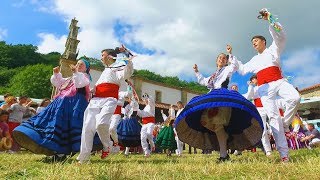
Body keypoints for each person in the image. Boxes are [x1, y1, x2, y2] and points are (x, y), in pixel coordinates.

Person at [175, 45, 263, 162]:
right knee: (213, 124)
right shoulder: (213, 75)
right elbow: (203, 81)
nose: (222, 59)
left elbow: (234, 65)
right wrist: (197, 72)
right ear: (216, 61)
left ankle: (223, 155)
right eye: (220, 58)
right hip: (213, 97)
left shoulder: (227, 69)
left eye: (224, 58)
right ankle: (224, 146)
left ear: (226, 61)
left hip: (222, 97)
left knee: (218, 125)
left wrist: (230, 54)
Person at [236, 9, 300, 162]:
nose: (254, 44)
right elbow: (243, 69)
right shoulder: (254, 60)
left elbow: (281, 37)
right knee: (273, 118)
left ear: (263, 41)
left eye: (256, 41)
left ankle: (285, 123)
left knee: (295, 98)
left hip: (278, 81)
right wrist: (232, 59)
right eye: (252, 43)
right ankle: (284, 155)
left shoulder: (273, 49)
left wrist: (270, 20)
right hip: (264, 89)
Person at [13, 59, 99, 160]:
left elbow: (80, 84)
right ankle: (56, 152)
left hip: (74, 106)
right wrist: (56, 74)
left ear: (86, 68)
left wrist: (75, 72)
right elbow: (58, 83)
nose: (79, 65)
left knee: (67, 128)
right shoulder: (70, 78)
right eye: (78, 63)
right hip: (60, 104)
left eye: (82, 64)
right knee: (55, 125)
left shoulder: (85, 77)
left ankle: (62, 153)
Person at [77, 48, 134, 164]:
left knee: (101, 124)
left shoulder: (118, 67)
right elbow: (97, 86)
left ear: (109, 57)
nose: (101, 57)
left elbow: (127, 72)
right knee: (87, 127)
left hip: (109, 100)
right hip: (95, 100)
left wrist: (127, 58)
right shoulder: (105, 70)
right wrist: (90, 89)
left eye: (102, 55)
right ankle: (84, 158)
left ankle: (108, 146)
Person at [242, 74, 272, 156]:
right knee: (263, 130)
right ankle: (268, 150)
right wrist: (250, 86)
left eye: (255, 79)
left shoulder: (266, 86)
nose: (254, 80)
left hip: (270, 107)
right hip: (260, 110)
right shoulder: (253, 89)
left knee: (276, 127)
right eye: (253, 80)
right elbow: (248, 96)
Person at [137, 92, 156, 157]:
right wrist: (135, 108)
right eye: (144, 100)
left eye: (146, 99)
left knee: (149, 134)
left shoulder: (151, 105)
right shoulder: (144, 108)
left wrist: (148, 96)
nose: (145, 100)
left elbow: (151, 101)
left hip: (150, 122)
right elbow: (140, 114)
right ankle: (146, 152)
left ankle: (152, 144)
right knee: (142, 138)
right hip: (144, 124)